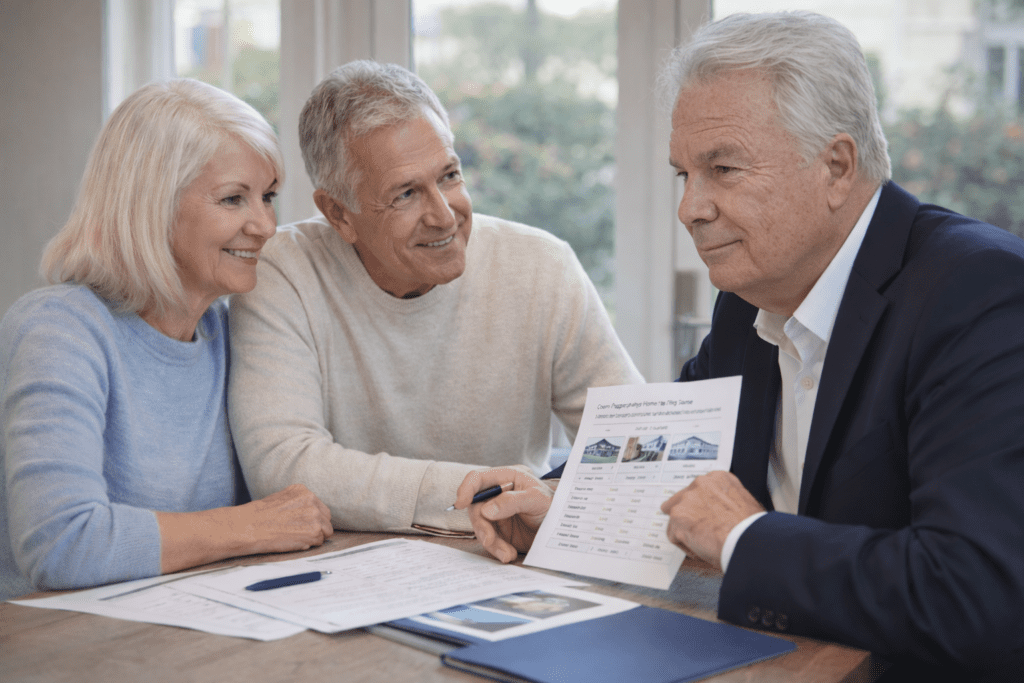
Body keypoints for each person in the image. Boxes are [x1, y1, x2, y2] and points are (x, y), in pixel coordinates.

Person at [455, 11, 1024, 678]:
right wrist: (564, 509)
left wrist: (745, 536)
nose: (689, 208)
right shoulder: (748, 300)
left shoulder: (981, 293)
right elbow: (673, 468)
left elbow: (975, 593)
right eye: (683, 175)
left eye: (722, 168)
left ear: (836, 166)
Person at [228, 61, 642, 535]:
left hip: (511, 552)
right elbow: (282, 465)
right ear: (339, 214)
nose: (445, 216)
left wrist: (545, 500)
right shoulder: (282, 271)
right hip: (347, 563)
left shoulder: (542, 266)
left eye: (449, 176)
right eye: (406, 194)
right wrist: (478, 492)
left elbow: (638, 438)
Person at [0, 79, 333, 601]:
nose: (266, 225)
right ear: (151, 205)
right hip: (57, 637)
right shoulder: (59, 330)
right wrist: (250, 525)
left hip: (191, 620)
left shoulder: (228, 331)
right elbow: (62, 543)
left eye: (267, 196)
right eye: (233, 199)